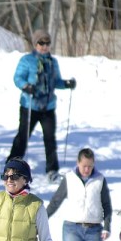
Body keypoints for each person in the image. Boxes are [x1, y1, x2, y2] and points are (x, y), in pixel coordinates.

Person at [7, 29, 76, 183]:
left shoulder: (53, 62)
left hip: (48, 106)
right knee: (23, 137)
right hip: (30, 105)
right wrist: (25, 86)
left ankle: (52, 169)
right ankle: (12, 166)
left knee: (49, 138)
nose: (44, 46)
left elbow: (56, 81)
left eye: (47, 43)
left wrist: (66, 83)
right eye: (41, 43)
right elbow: (17, 78)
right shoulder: (27, 60)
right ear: (35, 44)